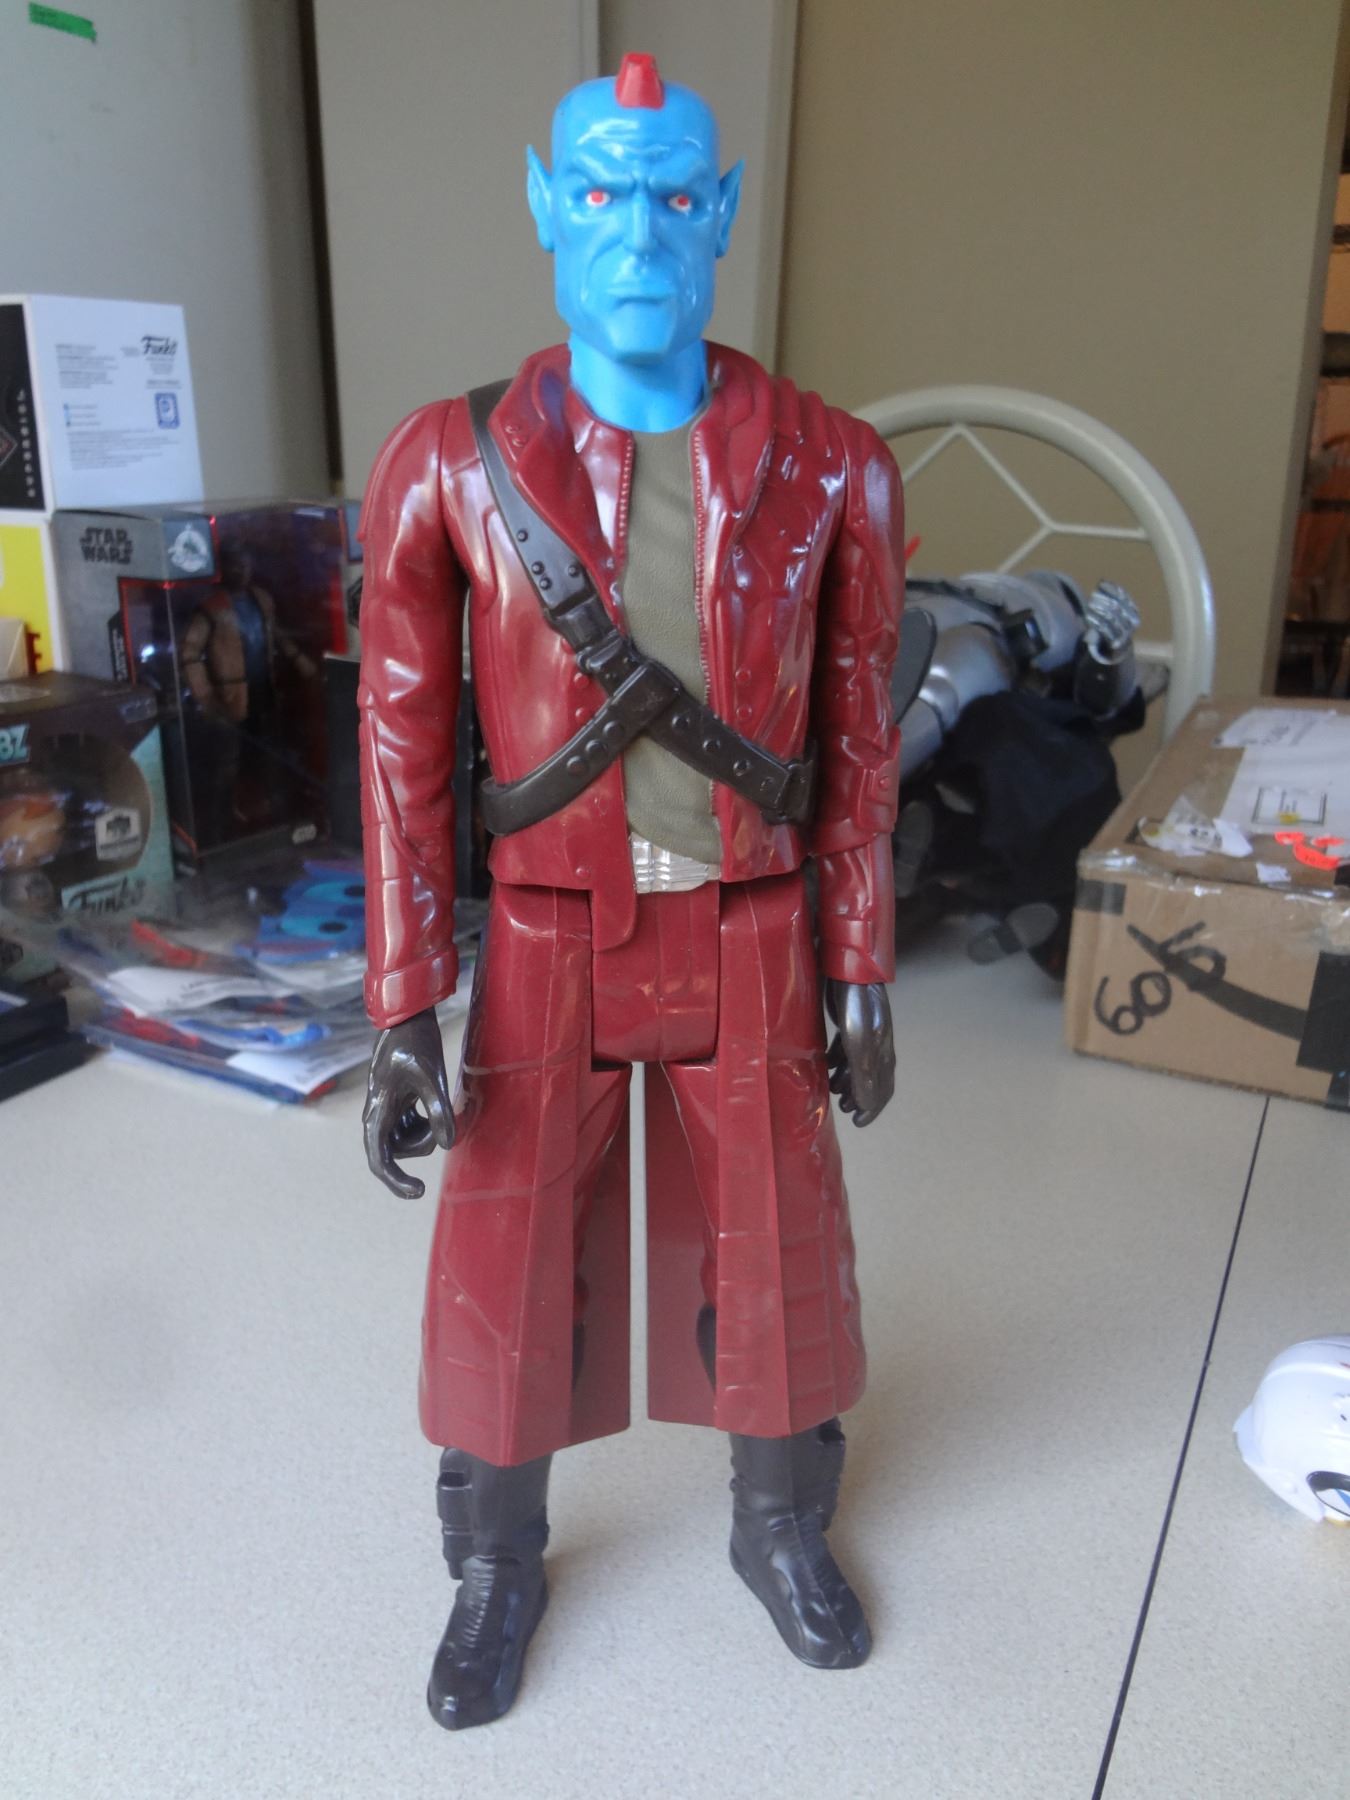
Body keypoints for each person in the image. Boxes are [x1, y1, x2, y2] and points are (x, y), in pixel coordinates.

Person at [357, 52, 905, 1730]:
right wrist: (401, 999)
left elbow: (859, 730)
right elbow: (398, 741)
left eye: (674, 195)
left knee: (778, 1238)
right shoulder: (447, 463)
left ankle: (779, 1522)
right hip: (547, 929)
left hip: (753, 926)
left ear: (722, 211)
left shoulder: (834, 465)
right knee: (506, 1252)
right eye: (600, 190)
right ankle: (492, 1562)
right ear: (544, 203)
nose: (639, 231)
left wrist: (859, 960)